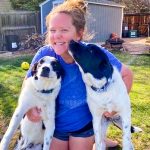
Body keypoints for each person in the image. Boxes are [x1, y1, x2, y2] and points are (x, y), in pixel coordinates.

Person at [24, 0, 133, 149]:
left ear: (79, 33)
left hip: (83, 127)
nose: (57, 36)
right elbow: (27, 81)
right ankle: (101, 139)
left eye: (64, 30)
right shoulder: (45, 54)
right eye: (52, 30)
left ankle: (97, 138)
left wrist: (114, 107)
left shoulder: (93, 53)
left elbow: (127, 75)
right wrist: (29, 108)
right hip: (55, 127)